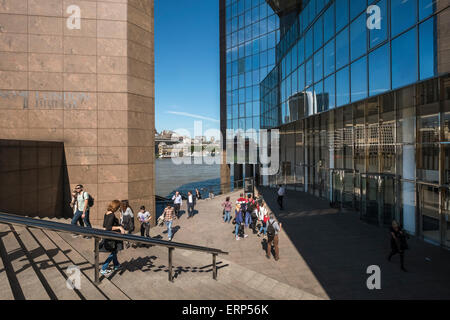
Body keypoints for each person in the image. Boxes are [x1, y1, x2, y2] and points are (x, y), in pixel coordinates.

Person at [100, 200, 125, 276]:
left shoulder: (107, 213)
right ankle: (103, 268)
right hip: (111, 237)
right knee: (113, 252)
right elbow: (108, 227)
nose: (118, 209)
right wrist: (119, 227)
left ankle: (116, 265)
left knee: (114, 251)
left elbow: (104, 226)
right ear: (116, 207)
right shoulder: (112, 215)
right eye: (118, 207)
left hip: (108, 235)